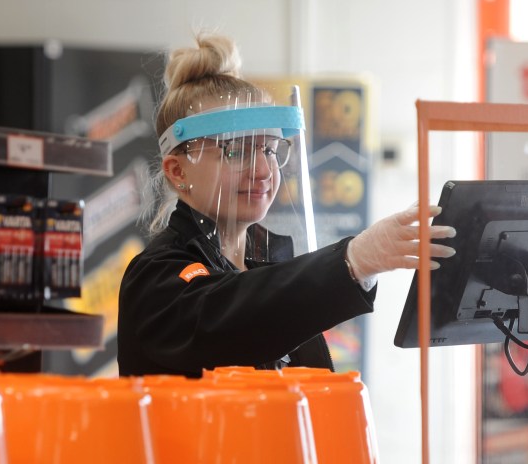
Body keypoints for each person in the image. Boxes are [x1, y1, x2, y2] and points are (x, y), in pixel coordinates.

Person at [117, 31, 456, 377]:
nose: (264, 170)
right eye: (237, 150)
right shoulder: (154, 279)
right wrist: (351, 261)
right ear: (177, 171)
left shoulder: (266, 265)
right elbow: (229, 318)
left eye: (269, 149)